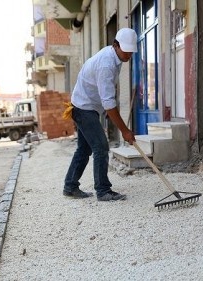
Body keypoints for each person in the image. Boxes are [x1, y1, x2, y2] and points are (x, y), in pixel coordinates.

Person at [63, 27, 137, 201]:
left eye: (131, 52)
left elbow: (107, 98)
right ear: (115, 45)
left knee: (84, 148)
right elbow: (109, 103)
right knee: (101, 147)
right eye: (126, 51)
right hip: (83, 107)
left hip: (87, 106)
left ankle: (70, 186)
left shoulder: (114, 57)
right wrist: (125, 131)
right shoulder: (106, 64)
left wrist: (105, 112)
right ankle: (103, 190)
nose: (129, 55)